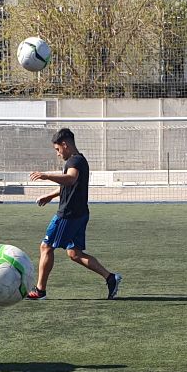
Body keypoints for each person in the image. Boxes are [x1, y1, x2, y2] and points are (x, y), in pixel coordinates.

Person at [27, 128, 121, 300]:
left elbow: (70, 179)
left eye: (57, 149)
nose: (57, 154)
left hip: (68, 215)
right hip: (80, 213)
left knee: (46, 247)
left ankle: (40, 291)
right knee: (74, 254)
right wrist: (50, 196)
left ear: (65, 144)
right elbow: (70, 185)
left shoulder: (74, 161)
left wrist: (46, 175)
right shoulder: (79, 160)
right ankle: (110, 278)